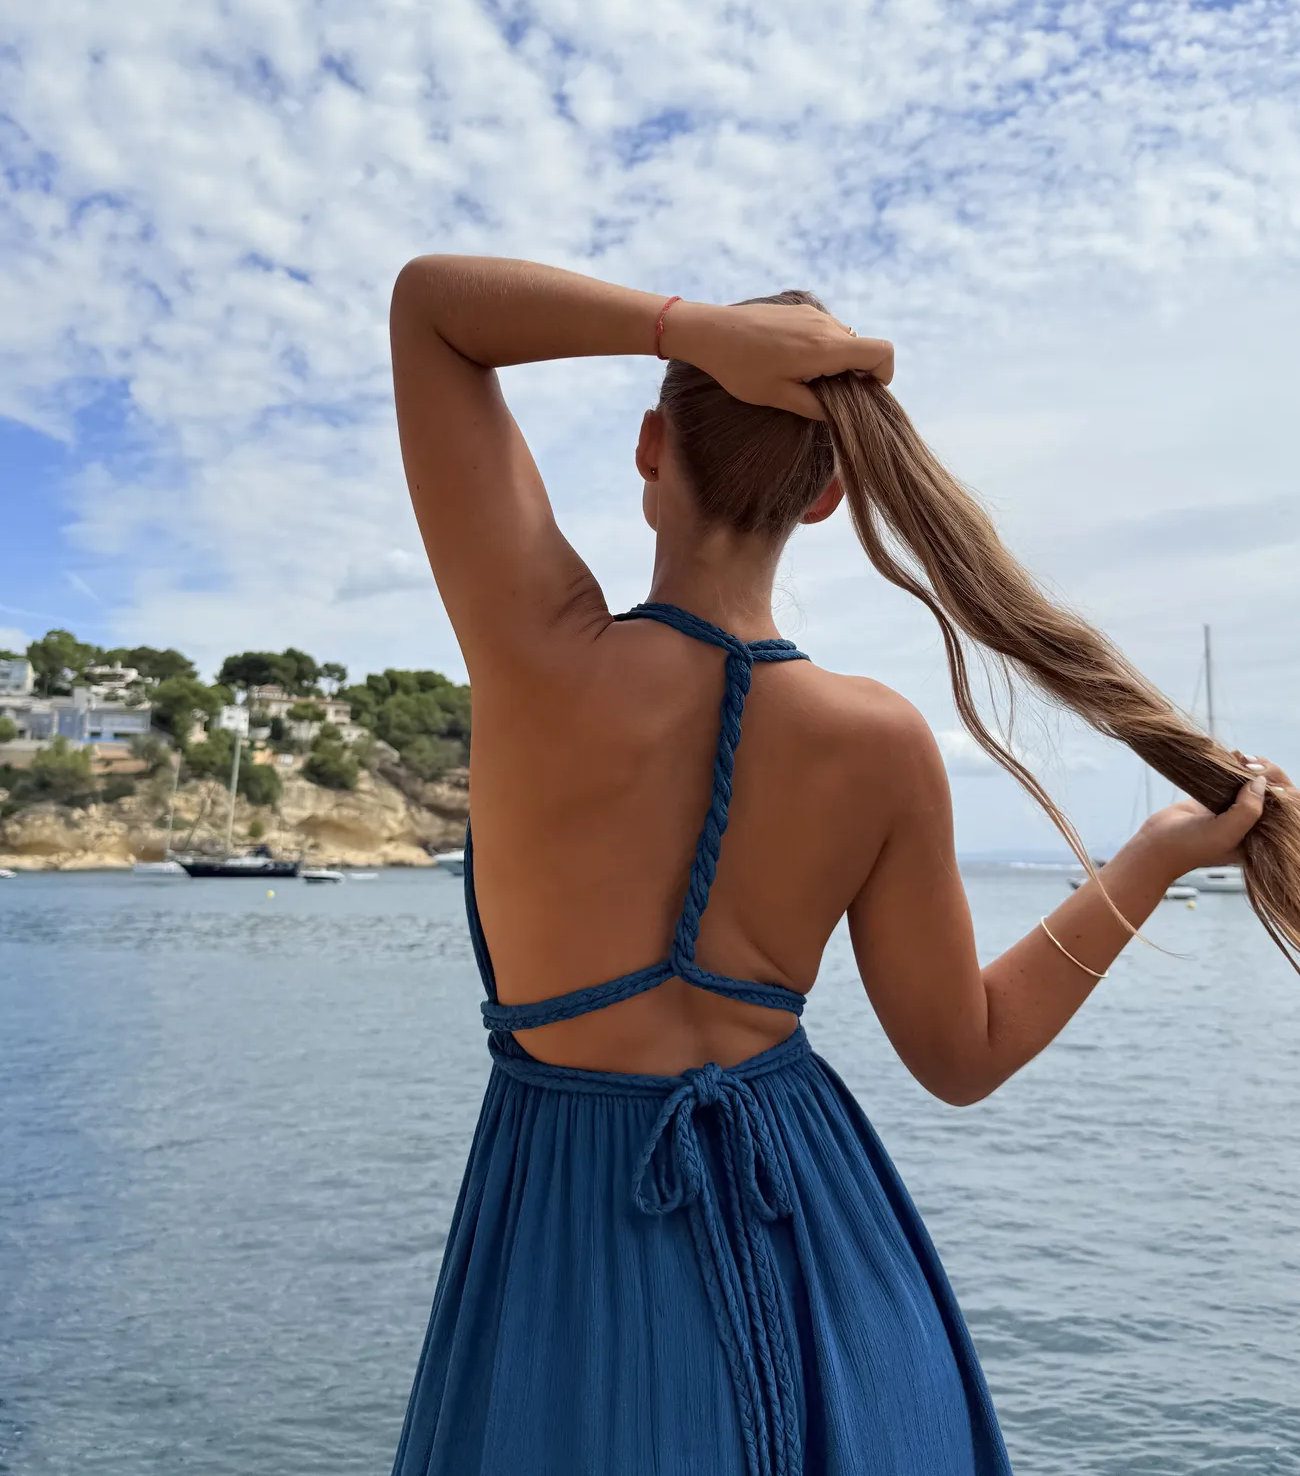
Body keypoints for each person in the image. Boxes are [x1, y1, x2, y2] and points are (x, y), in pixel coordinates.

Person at [386, 256, 1298, 1476]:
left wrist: (679, 326)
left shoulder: (538, 651)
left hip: (564, 1237)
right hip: (820, 1246)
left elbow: (433, 310)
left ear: (652, 447)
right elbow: (963, 1055)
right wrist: (1151, 859)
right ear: (826, 499)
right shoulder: (879, 742)